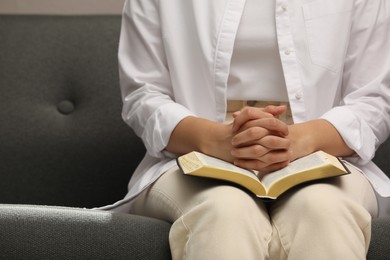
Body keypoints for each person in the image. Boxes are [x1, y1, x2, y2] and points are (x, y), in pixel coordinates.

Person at [105, 0, 390, 259]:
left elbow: (373, 100)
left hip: (327, 153)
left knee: (323, 210)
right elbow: (143, 96)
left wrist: (298, 140)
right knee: (223, 210)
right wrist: (214, 140)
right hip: (191, 156)